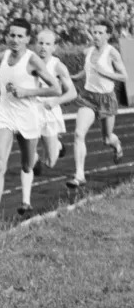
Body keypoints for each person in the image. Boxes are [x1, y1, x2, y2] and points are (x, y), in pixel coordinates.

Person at [0, 18, 60, 230]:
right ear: (7, 36)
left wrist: (26, 92)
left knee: (26, 165)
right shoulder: (6, 55)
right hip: (5, 113)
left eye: (20, 36)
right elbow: (4, 80)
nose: (15, 39)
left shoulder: (33, 60)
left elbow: (56, 88)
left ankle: (34, 162)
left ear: (27, 39)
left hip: (28, 116)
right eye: (12, 35)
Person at [17, 29, 77, 216]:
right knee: (27, 160)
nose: (43, 47)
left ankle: (57, 145)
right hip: (30, 112)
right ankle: (26, 201)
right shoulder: (26, 61)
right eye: (40, 43)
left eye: (47, 44)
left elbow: (72, 93)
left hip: (49, 113)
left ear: (54, 47)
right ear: (35, 44)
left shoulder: (58, 66)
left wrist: (56, 101)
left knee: (51, 162)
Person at [66, 20, 128, 189]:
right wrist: (75, 77)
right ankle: (79, 175)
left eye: (100, 33)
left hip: (106, 99)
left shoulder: (112, 53)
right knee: (78, 134)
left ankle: (117, 146)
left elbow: (124, 77)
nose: (96, 36)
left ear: (108, 35)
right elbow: (87, 70)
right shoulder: (89, 51)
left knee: (107, 139)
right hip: (88, 98)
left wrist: (105, 73)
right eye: (94, 32)